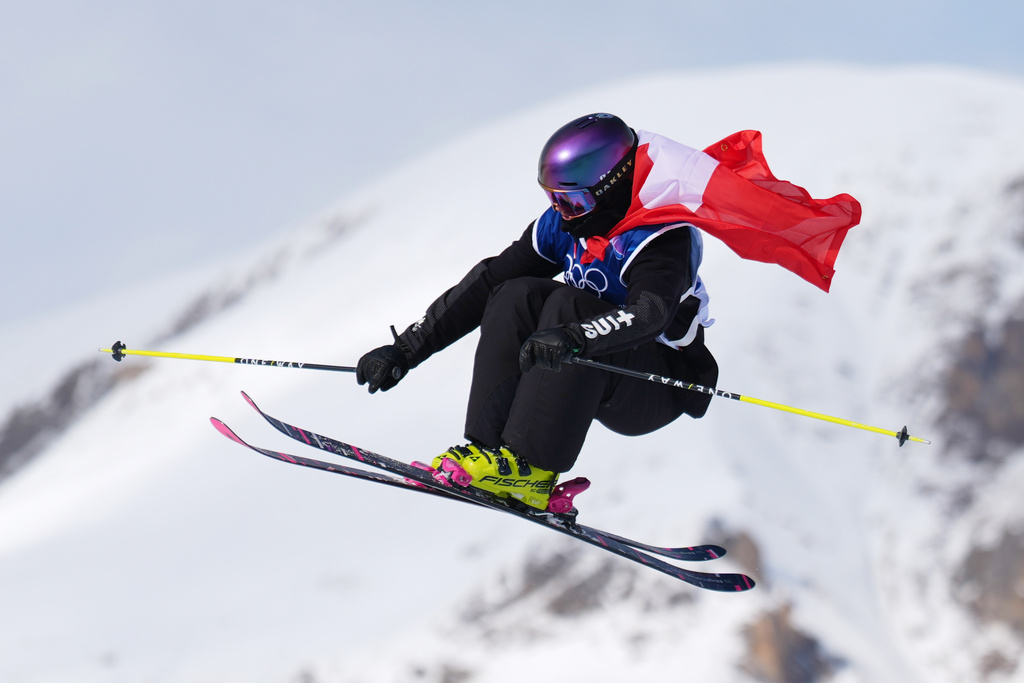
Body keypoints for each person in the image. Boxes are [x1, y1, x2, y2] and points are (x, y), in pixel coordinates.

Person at [356, 113, 861, 513]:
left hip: (658, 385)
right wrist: (408, 349)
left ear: (614, 185)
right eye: (554, 200)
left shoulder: (662, 236)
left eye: (573, 201)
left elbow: (650, 313)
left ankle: (531, 471)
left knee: (565, 303)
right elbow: (489, 279)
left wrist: (575, 336)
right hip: (585, 369)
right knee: (514, 293)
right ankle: (489, 456)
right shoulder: (563, 225)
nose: (563, 214)